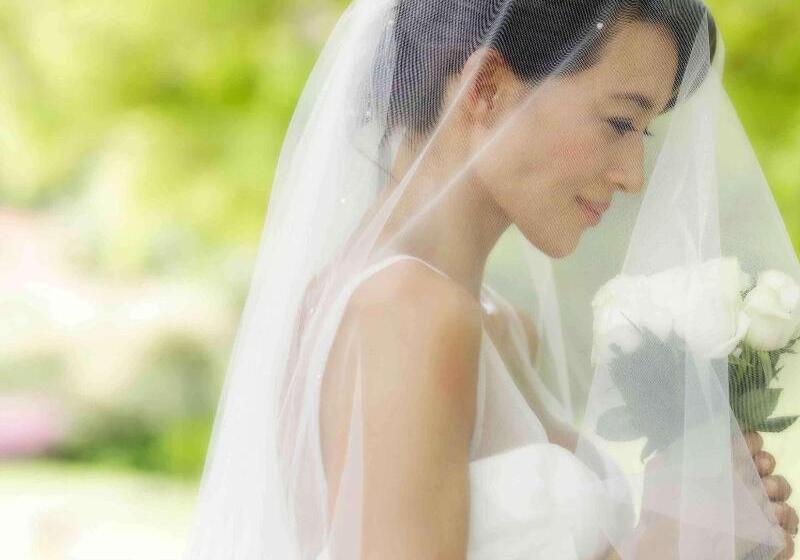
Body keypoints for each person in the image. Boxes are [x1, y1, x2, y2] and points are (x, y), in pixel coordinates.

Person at [185, 1, 800, 558]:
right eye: (619, 123)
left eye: (645, 132)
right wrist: (665, 548)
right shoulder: (409, 313)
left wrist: (717, 534)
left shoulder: (501, 326)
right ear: (486, 89)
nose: (633, 175)